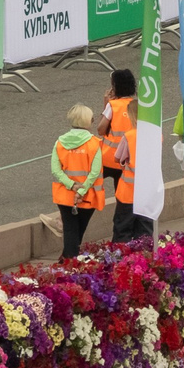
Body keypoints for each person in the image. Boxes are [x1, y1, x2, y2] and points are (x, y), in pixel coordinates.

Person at [51, 102, 107, 254]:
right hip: (87, 196)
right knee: (78, 233)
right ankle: (71, 264)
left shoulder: (60, 142)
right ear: (88, 121)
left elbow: (55, 170)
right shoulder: (94, 143)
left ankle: (67, 262)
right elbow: (94, 172)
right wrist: (81, 190)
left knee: (70, 231)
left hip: (65, 196)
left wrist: (71, 185)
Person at [101, 67, 146, 240]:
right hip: (127, 164)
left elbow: (101, 129)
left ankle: (63, 219)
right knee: (125, 202)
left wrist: (105, 104)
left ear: (115, 87)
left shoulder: (113, 105)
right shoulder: (137, 106)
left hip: (109, 159)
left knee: (87, 185)